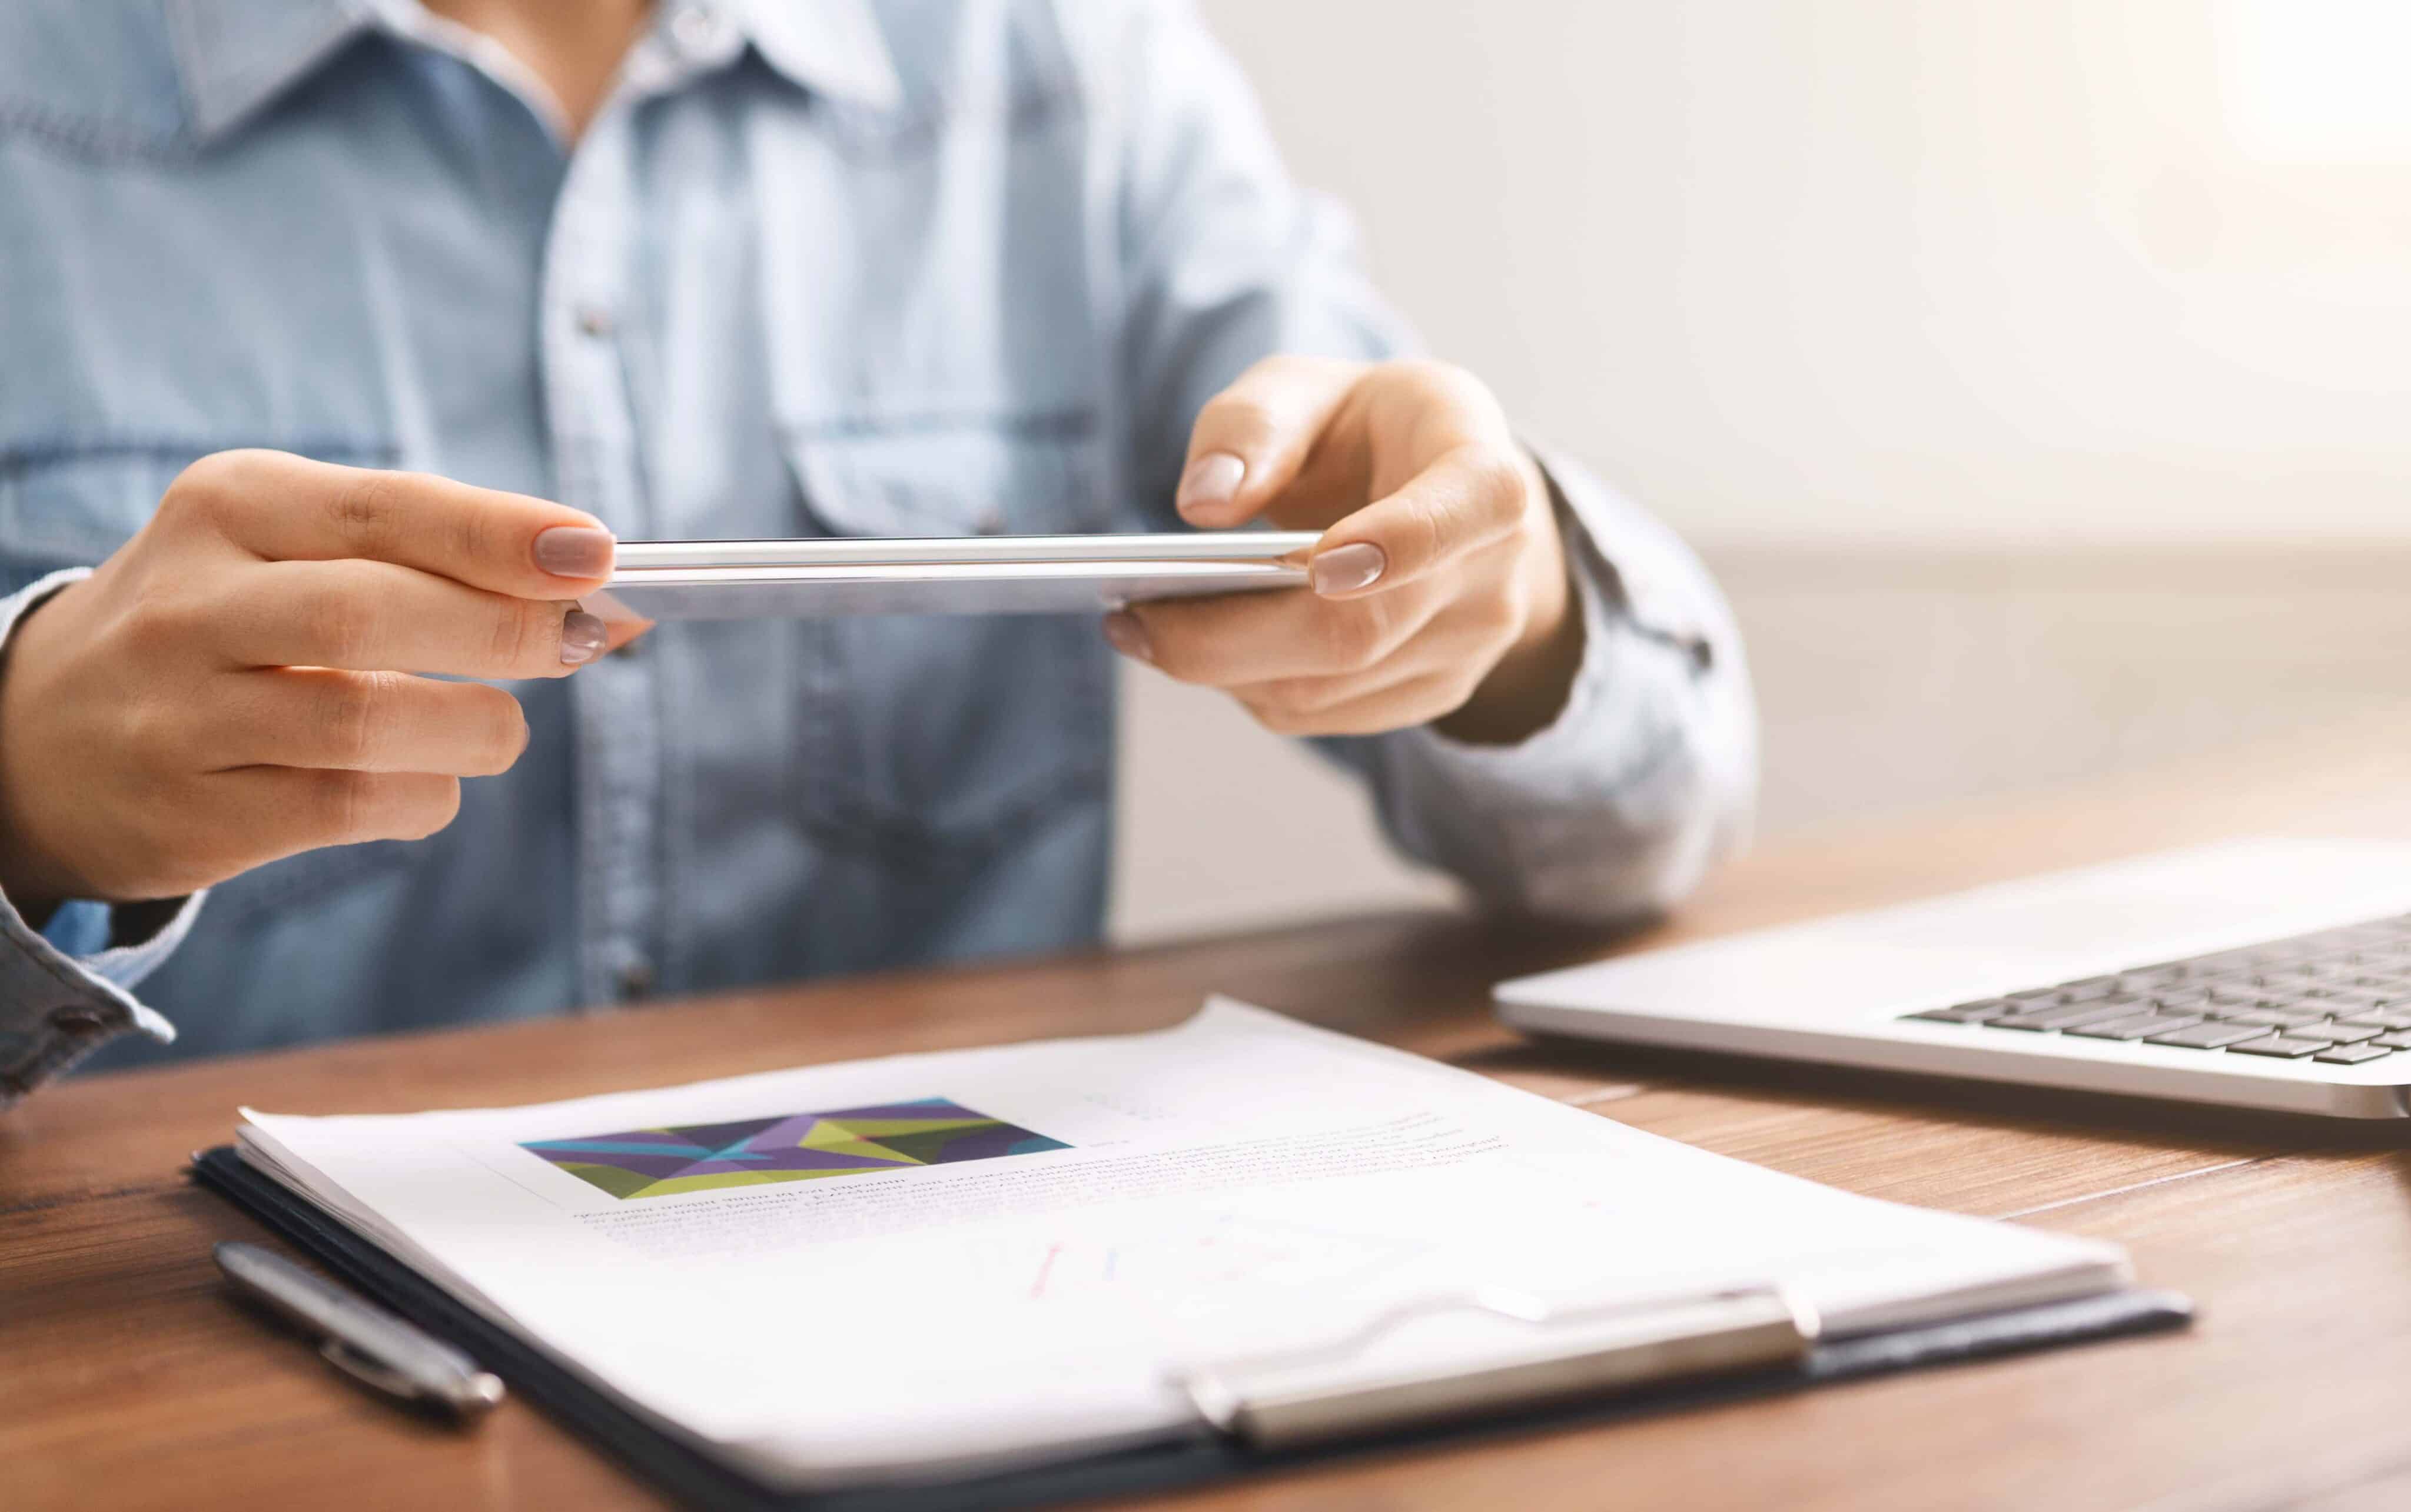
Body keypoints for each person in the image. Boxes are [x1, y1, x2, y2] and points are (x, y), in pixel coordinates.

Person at [0, 0, 1754, 1103]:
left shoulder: (1063, 65)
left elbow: (1649, 826)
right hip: (205, 1354)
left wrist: (1506, 611)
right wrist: (23, 788)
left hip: (978, 1297)